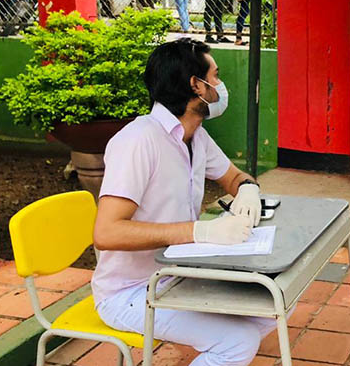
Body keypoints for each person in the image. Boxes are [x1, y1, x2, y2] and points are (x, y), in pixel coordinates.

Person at [92, 38, 284, 366]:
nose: (221, 86)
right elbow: (106, 233)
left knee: (272, 303)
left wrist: (248, 191)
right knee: (237, 342)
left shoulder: (195, 136)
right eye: (216, 76)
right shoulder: (138, 141)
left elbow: (235, 177)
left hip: (178, 275)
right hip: (129, 292)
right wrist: (199, 232)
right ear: (196, 85)